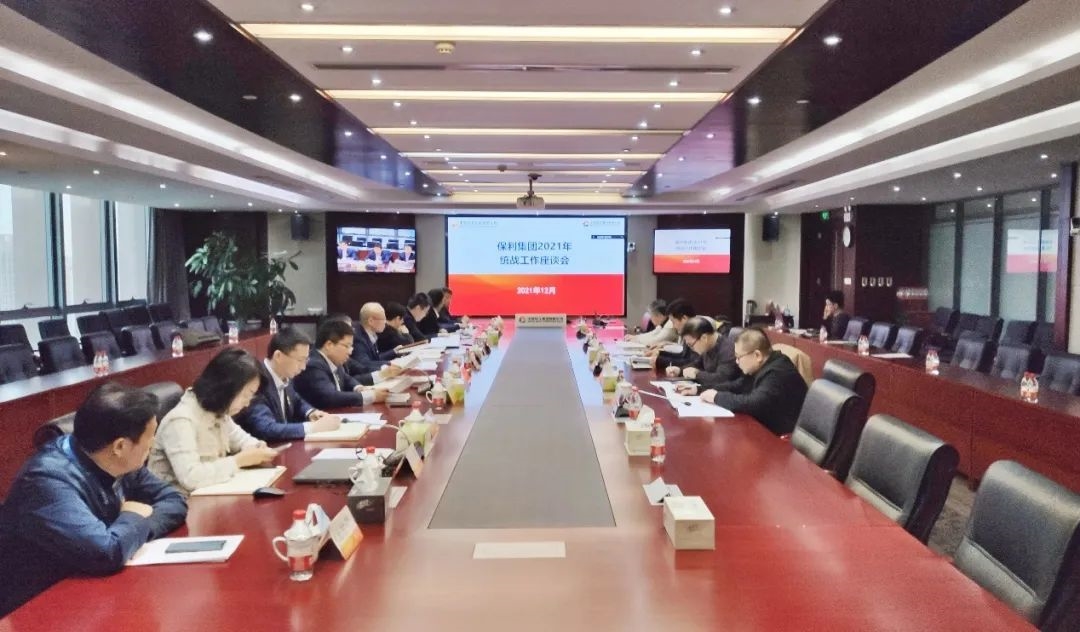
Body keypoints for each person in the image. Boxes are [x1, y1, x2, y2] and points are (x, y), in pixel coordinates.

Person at [0, 383, 188, 616]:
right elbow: (105, 553)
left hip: (91, 587)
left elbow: (174, 499)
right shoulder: (46, 481)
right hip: (40, 606)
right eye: (150, 437)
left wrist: (135, 531)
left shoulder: (119, 460)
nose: (153, 444)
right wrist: (133, 517)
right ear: (120, 446)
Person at [148, 348, 279, 494]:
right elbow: (191, 478)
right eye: (245, 395)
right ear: (226, 388)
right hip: (177, 500)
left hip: (207, 496)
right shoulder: (180, 420)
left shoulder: (219, 412)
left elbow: (242, 440)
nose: (247, 403)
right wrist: (238, 461)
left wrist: (257, 447)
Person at [234, 328, 343, 442]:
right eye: (300, 360)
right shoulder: (257, 381)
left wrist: (311, 412)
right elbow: (266, 428)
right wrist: (313, 427)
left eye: (306, 360)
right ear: (278, 356)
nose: (303, 367)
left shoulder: (284, 373)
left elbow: (295, 399)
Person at [700, 329, 808, 436]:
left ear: (757, 355)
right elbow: (738, 385)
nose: (736, 362)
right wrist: (701, 389)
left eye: (738, 357)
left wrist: (717, 397)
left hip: (782, 436)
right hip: (766, 426)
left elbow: (754, 403)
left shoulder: (777, 372)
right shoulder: (762, 365)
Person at [293, 319, 390, 409]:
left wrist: (359, 388)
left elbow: (346, 378)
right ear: (329, 345)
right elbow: (330, 397)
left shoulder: (334, 360)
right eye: (347, 346)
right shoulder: (313, 365)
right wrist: (370, 396)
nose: (350, 351)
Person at [668, 317, 741, 392]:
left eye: (691, 345)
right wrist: (679, 370)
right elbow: (697, 364)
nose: (691, 349)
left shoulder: (728, 350)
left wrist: (697, 374)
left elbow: (722, 379)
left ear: (704, 338)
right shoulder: (708, 346)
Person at [350, 302, 402, 372]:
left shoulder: (370, 333)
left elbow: (375, 359)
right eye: (383, 319)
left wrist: (394, 351)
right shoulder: (358, 338)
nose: (385, 322)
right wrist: (390, 364)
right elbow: (364, 364)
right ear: (371, 321)